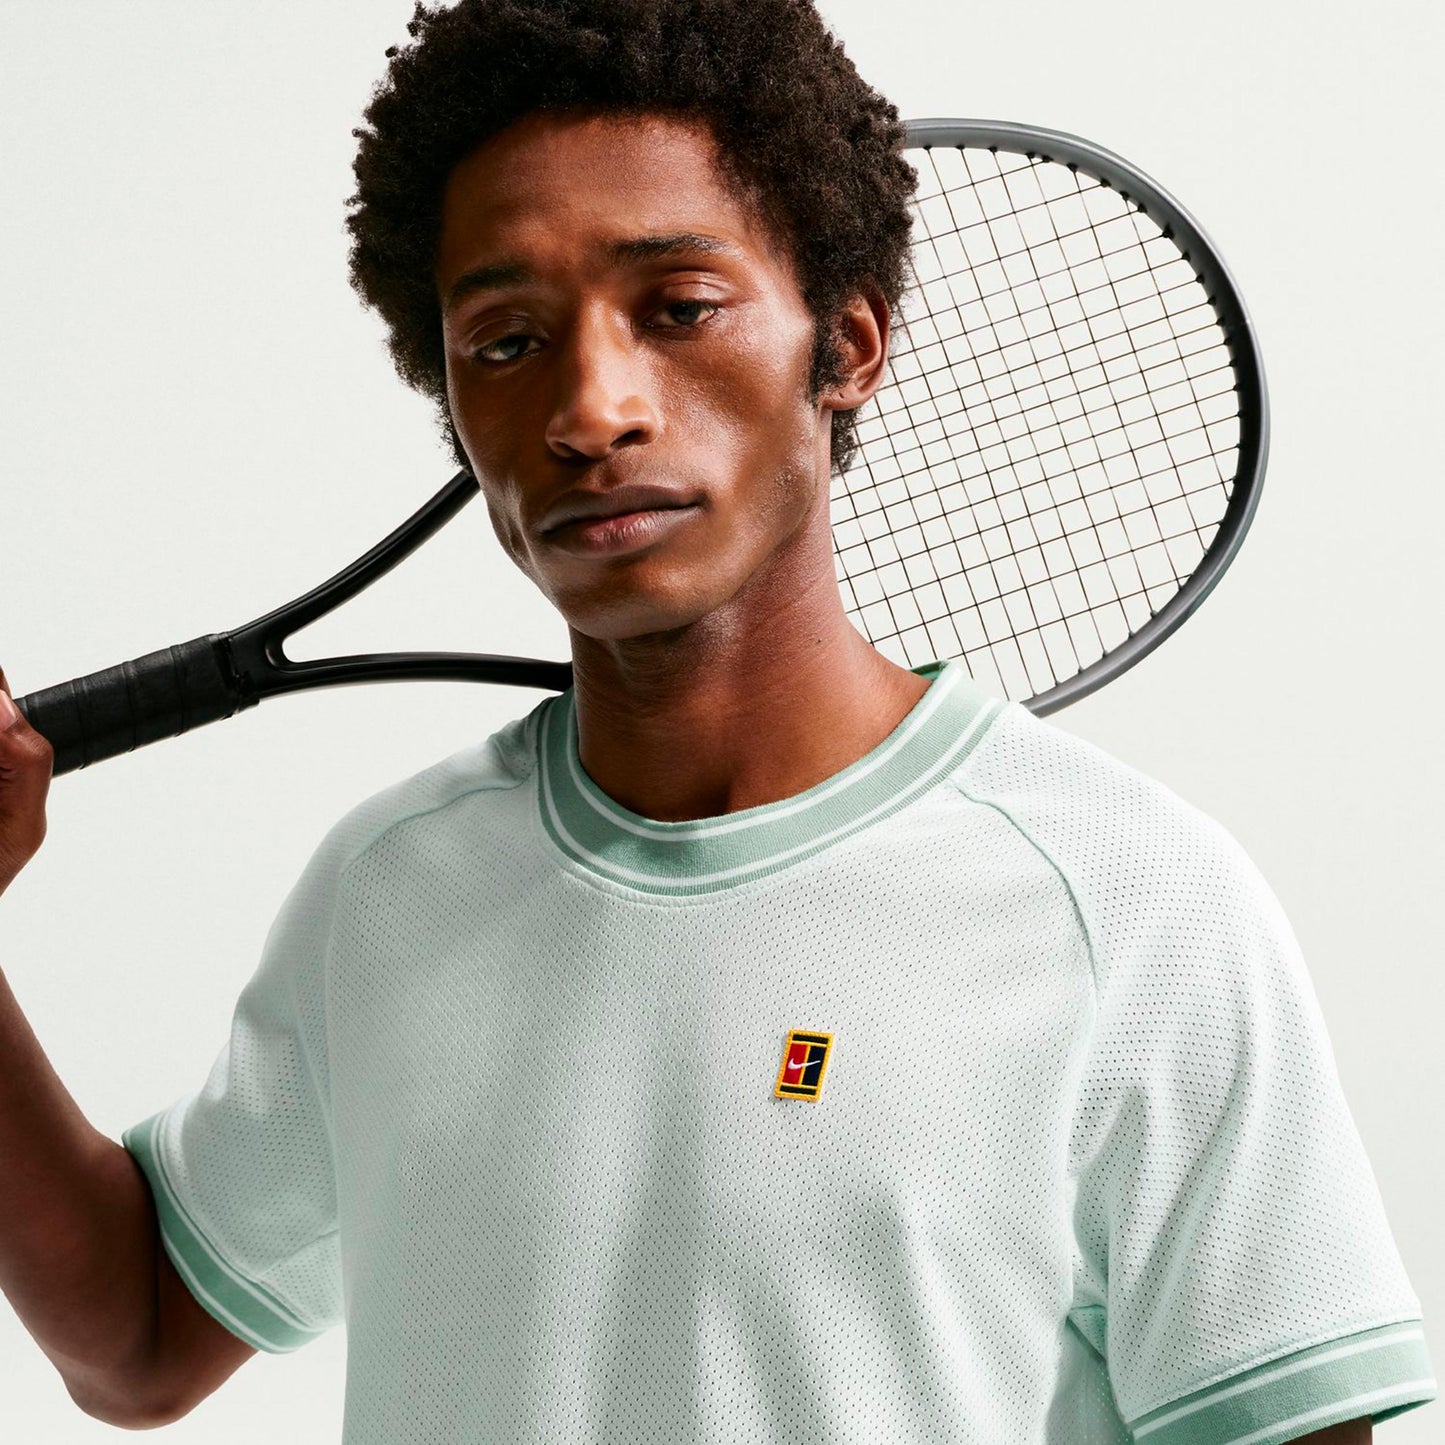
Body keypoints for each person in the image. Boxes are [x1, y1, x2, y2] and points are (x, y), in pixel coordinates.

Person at [0, 0, 1434, 1440]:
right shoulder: (388, 888)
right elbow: (138, 1339)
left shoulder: (1128, 901)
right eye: (506, 339)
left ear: (847, 345)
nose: (591, 408)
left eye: (679, 309)